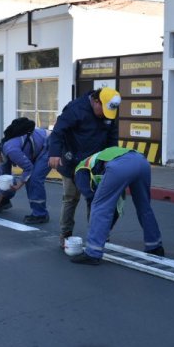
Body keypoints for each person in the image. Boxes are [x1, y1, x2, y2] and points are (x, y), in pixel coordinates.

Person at [48, 87, 120, 247]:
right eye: (103, 110)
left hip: (95, 163)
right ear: (95, 101)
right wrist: (54, 153)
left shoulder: (110, 109)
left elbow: (112, 136)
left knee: (95, 199)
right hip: (72, 160)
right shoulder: (75, 109)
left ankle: (97, 234)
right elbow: (58, 131)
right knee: (71, 198)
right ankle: (65, 234)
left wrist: (110, 157)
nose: (104, 115)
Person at [70, 147, 164, 265]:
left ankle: (92, 253)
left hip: (120, 166)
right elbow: (115, 204)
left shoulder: (79, 171)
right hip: (142, 161)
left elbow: (93, 200)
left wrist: (102, 230)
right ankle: (154, 246)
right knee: (144, 206)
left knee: (100, 206)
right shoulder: (96, 160)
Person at [0, 120, 50, 224]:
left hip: (49, 144)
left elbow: (28, 168)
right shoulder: (3, 151)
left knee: (34, 179)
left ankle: (40, 214)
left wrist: (19, 185)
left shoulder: (10, 150)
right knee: (28, 178)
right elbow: (5, 177)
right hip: (38, 146)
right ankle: (5, 202)